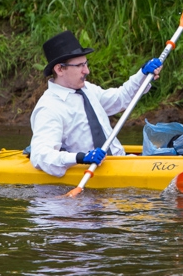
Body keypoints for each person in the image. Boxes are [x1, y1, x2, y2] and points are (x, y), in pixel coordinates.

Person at [30, 30, 162, 177]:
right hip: (91, 170)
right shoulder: (49, 108)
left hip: (119, 162)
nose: (87, 71)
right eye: (80, 66)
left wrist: (142, 75)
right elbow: (41, 155)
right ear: (60, 69)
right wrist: (81, 157)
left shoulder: (87, 89)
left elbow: (120, 99)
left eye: (86, 64)